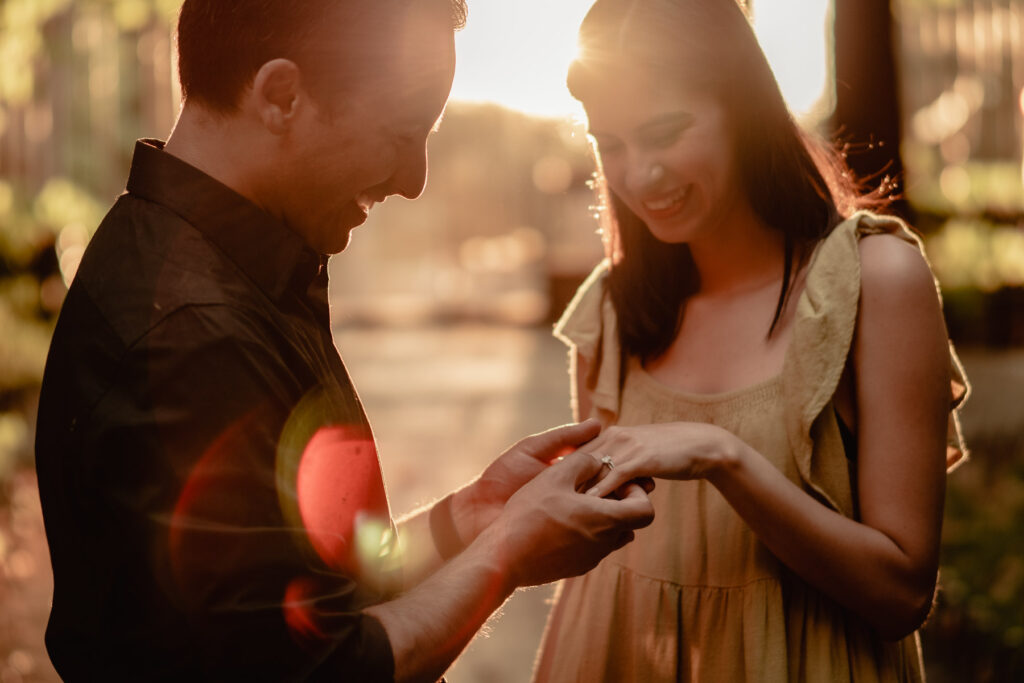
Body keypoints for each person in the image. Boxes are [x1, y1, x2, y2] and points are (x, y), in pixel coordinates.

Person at [33, 1, 655, 681]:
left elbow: (300, 596)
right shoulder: (192, 337)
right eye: (403, 132)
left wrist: (467, 517)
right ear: (281, 95)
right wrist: (507, 551)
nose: (414, 181)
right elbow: (319, 669)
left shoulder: (217, 264)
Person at [532, 0, 969, 681]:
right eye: (610, 144)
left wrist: (724, 457)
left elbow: (902, 594)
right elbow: (589, 577)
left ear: (743, 108)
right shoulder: (612, 309)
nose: (639, 175)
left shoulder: (876, 281)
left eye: (665, 133)